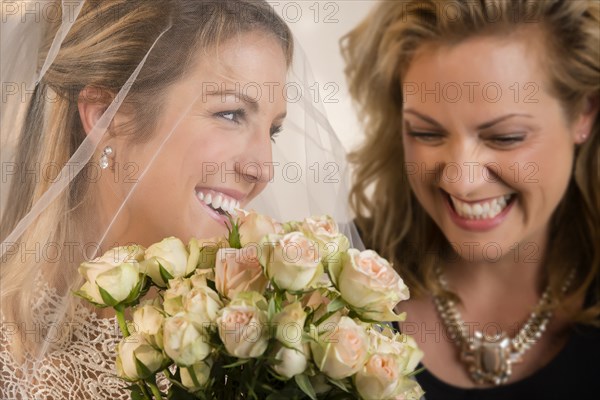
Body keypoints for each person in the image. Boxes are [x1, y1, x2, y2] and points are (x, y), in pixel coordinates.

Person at [0, 0, 353, 398]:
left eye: (272, 131)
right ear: (106, 116)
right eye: (232, 114)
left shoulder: (258, 349)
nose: (264, 169)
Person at [342, 0, 599, 398]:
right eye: (426, 134)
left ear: (584, 111)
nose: (462, 181)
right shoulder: (329, 279)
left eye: (505, 137)